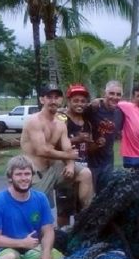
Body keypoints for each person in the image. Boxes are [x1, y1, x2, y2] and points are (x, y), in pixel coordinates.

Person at [21, 83, 92, 220]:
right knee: (36, 214)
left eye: (57, 97)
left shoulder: (60, 124)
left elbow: (67, 148)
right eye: (49, 97)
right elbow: (41, 150)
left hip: (54, 168)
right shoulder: (34, 121)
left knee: (85, 174)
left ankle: (86, 215)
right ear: (42, 100)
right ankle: (31, 238)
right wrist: (67, 155)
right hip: (36, 173)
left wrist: (70, 164)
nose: (54, 101)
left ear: (61, 100)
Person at [55, 83, 106, 226]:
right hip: (66, 170)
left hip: (84, 170)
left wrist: (97, 144)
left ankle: (79, 236)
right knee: (64, 211)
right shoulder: (62, 120)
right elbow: (54, 144)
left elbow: (87, 149)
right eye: (76, 100)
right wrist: (76, 139)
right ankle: (62, 239)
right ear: (69, 101)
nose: (80, 104)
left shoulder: (87, 123)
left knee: (82, 210)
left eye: (83, 101)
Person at [83, 80, 125, 194]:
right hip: (90, 162)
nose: (115, 97)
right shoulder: (94, 108)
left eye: (118, 94)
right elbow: (74, 113)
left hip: (108, 162)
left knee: (104, 196)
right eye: (111, 93)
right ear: (104, 93)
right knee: (88, 198)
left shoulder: (120, 113)